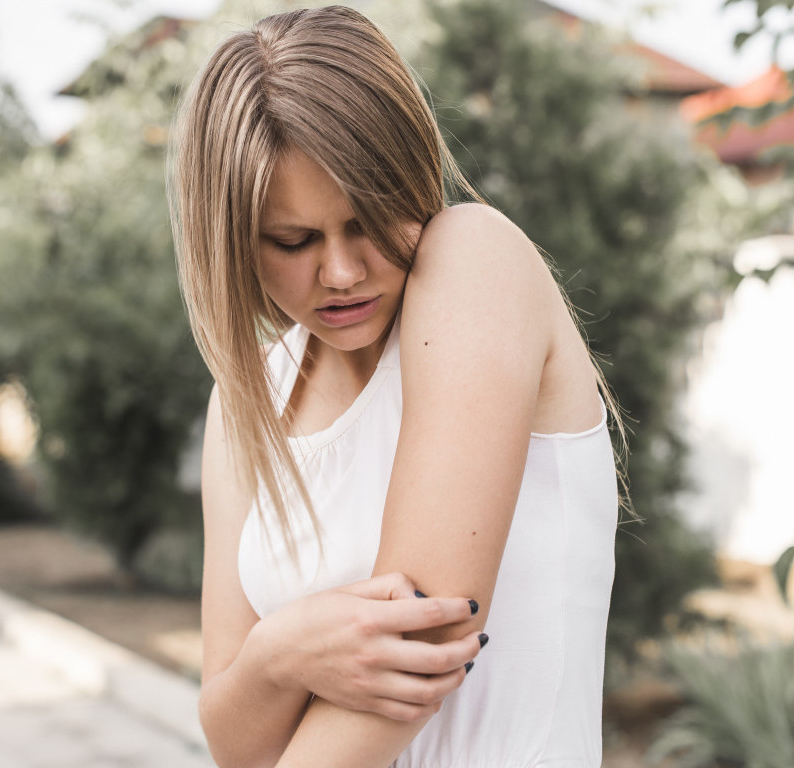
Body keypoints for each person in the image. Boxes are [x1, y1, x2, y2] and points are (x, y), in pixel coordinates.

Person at [168, 6, 620, 767]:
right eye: (293, 240)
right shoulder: (247, 403)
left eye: (369, 220)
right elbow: (232, 741)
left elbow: (424, 647)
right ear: (234, 239)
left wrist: (272, 671)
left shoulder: (477, 262)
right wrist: (279, 653)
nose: (341, 272)